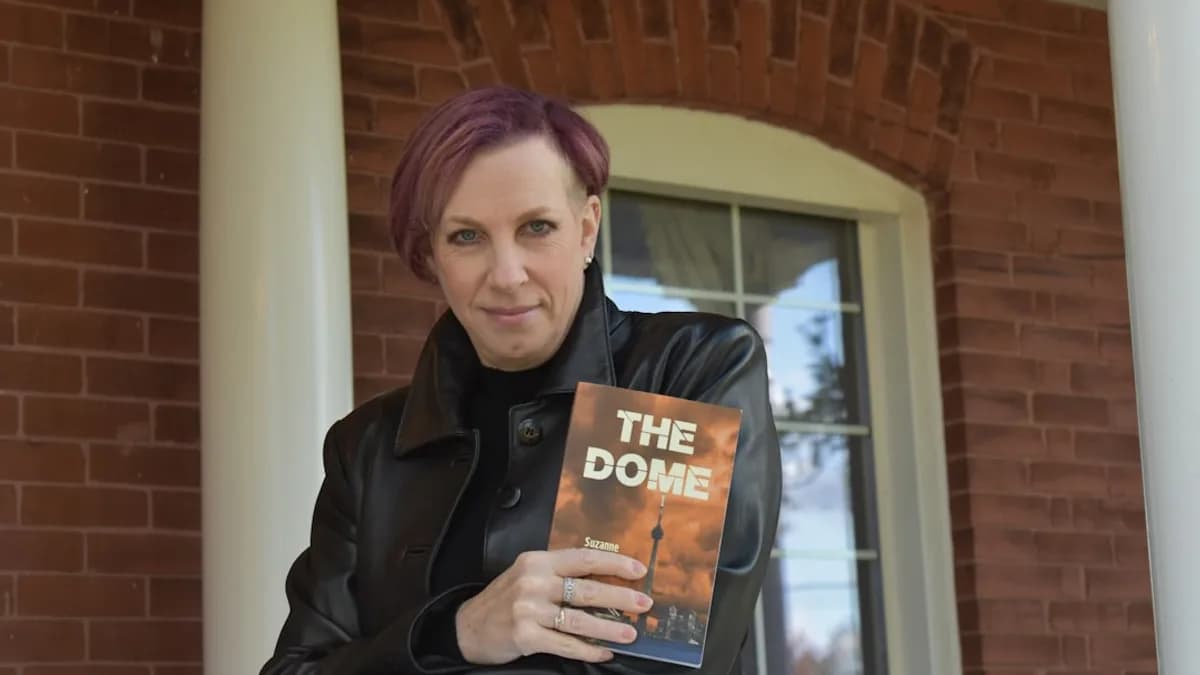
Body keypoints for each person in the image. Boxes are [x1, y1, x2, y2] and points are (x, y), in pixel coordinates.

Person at [261, 86, 782, 675]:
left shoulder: (680, 372)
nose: (507, 274)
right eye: (466, 236)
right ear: (430, 256)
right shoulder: (367, 448)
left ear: (586, 229)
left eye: (536, 227)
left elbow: (652, 662)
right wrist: (456, 632)